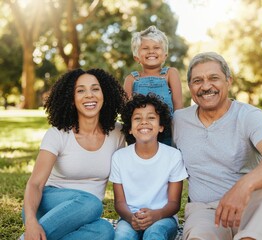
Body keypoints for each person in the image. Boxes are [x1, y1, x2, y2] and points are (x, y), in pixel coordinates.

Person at [172, 52, 262, 240]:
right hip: (205, 211)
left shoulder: (249, 115)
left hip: (249, 205)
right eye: (198, 81)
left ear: (228, 81)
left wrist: (242, 187)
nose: (206, 86)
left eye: (214, 78)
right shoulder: (179, 120)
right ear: (190, 87)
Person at [20, 68, 127, 240]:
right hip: (47, 208)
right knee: (92, 203)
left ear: (104, 94)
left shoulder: (117, 133)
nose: (89, 95)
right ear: (71, 99)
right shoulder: (58, 134)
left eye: (95, 89)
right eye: (80, 90)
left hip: (84, 216)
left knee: (105, 230)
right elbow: (35, 184)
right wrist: (31, 221)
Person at [109, 93, 188, 240]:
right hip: (129, 218)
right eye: (137, 118)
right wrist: (131, 217)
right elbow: (119, 202)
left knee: (154, 234)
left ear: (161, 127)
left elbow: (174, 203)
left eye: (151, 118)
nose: (144, 122)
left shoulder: (173, 156)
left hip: (164, 217)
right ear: (130, 129)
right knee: (121, 236)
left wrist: (156, 215)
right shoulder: (119, 157)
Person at [123, 25, 183, 145]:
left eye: (156, 47)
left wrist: (178, 136)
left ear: (165, 55)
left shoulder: (170, 74)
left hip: (167, 134)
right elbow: (127, 113)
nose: (151, 51)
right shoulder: (131, 79)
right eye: (145, 48)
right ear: (136, 57)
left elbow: (178, 108)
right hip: (141, 134)